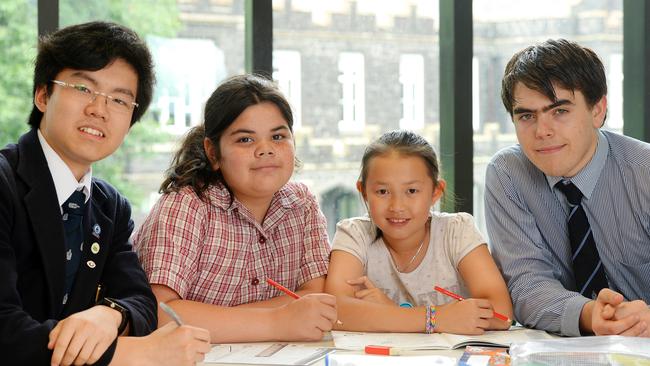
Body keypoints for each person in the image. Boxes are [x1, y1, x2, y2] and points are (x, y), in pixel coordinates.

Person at [0, 21, 211, 365]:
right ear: (42, 94)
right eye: (83, 88)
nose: (99, 109)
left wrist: (110, 315)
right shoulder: (5, 183)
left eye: (119, 100)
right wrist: (136, 353)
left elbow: (140, 302)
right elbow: (5, 332)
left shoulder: (109, 206)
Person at [133, 74, 338, 343]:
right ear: (213, 153)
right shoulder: (186, 205)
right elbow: (160, 314)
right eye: (245, 140)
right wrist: (277, 321)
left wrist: (216, 319)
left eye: (278, 136)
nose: (265, 150)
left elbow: (312, 301)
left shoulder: (302, 204)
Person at [485, 38, 650, 337]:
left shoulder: (645, 172)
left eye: (559, 111)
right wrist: (590, 315)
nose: (542, 131)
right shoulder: (507, 174)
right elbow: (526, 285)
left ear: (598, 110)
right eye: (526, 116)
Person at [325, 130, 512, 334]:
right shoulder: (354, 234)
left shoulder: (457, 231)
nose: (397, 206)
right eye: (382, 192)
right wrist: (436, 319)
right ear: (363, 192)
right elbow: (335, 310)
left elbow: (502, 314)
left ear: (435, 192)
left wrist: (388, 313)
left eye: (412, 191)